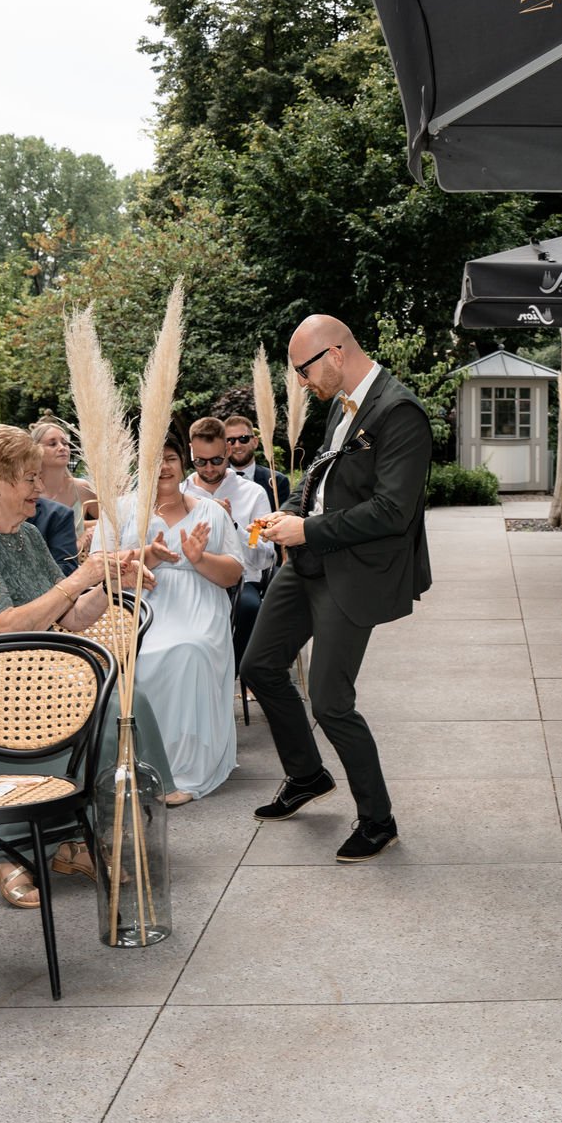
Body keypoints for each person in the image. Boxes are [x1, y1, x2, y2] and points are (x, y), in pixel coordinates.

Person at [0, 424, 170, 908]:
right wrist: (80, 576)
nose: (40, 488)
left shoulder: (26, 534)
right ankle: (7, 850)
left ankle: (72, 834)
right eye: (30, 478)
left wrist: (110, 584)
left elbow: (73, 616)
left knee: (123, 701)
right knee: (93, 708)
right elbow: (0, 626)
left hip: (36, 665)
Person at [243, 315, 433, 863]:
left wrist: (307, 530)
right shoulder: (340, 404)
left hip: (356, 573)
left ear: (334, 354)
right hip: (309, 560)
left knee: (330, 701)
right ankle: (307, 775)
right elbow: (320, 480)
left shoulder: (401, 412)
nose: (302, 383)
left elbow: (393, 511)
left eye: (303, 370)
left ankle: (378, 819)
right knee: (259, 667)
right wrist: (288, 512)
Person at [118, 435, 245, 805]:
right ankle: (140, 764)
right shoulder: (123, 510)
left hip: (199, 605)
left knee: (189, 649)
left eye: (171, 458)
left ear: (182, 463)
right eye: (155, 460)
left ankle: (186, 771)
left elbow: (234, 573)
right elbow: (103, 567)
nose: (164, 467)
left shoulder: (211, 512)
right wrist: (149, 556)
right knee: (142, 654)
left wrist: (199, 558)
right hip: (141, 606)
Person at [185, 416, 275, 669]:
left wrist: (232, 524)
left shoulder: (253, 494)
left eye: (216, 460)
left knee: (249, 607)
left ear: (227, 450)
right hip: (194, 579)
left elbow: (265, 556)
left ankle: (232, 672)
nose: (209, 469)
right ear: (191, 452)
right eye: (200, 462)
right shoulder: (182, 492)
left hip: (242, 581)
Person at [31, 416, 98, 536]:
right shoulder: (29, 492)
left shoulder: (82, 488)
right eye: (52, 444)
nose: (62, 448)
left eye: (65, 443)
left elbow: (108, 523)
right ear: (36, 451)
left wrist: (85, 529)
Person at [225, 413, 292, 510]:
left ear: (255, 442)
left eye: (243, 439)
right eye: (231, 440)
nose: (237, 445)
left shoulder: (276, 481)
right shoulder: (215, 479)